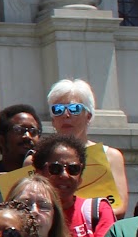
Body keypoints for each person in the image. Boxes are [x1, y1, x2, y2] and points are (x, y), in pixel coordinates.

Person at [47, 79, 128, 214]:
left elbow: (120, 208)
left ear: (88, 116)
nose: (66, 115)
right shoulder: (36, 160)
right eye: (58, 110)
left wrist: (82, 217)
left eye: (74, 109)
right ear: (52, 120)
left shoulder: (111, 156)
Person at [29, 134, 115, 237]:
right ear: (38, 173)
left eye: (73, 169)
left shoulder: (97, 209)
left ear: (80, 178)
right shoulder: (26, 212)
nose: (64, 175)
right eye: (55, 168)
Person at [0, 103, 43, 205]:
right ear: (1, 140)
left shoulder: (49, 177)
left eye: (33, 131)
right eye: (19, 130)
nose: (27, 136)